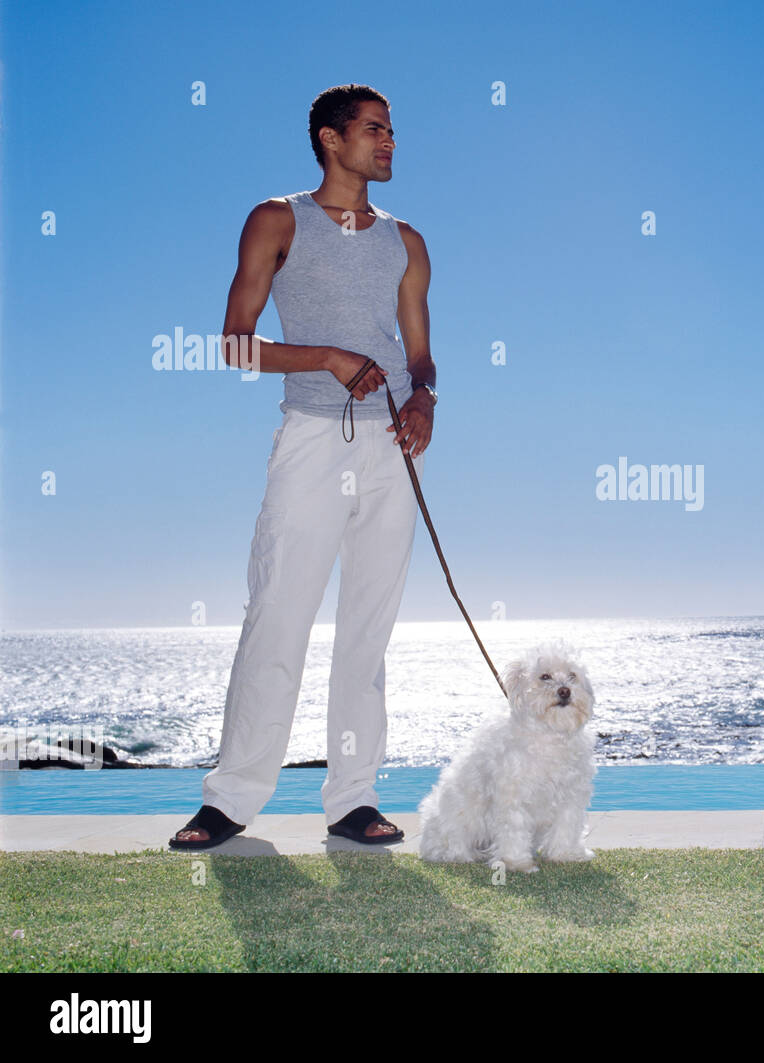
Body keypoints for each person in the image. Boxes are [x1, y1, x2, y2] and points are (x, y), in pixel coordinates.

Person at [170, 84, 436, 849]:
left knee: (368, 630)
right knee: (277, 616)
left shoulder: (408, 241)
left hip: (391, 445)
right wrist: (322, 354)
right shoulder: (277, 220)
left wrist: (426, 398)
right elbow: (234, 344)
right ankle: (230, 799)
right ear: (329, 139)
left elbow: (419, 352)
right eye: (375, 130)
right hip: (312, 442)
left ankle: (353, 799)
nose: (389, 143)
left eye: (392, 130)